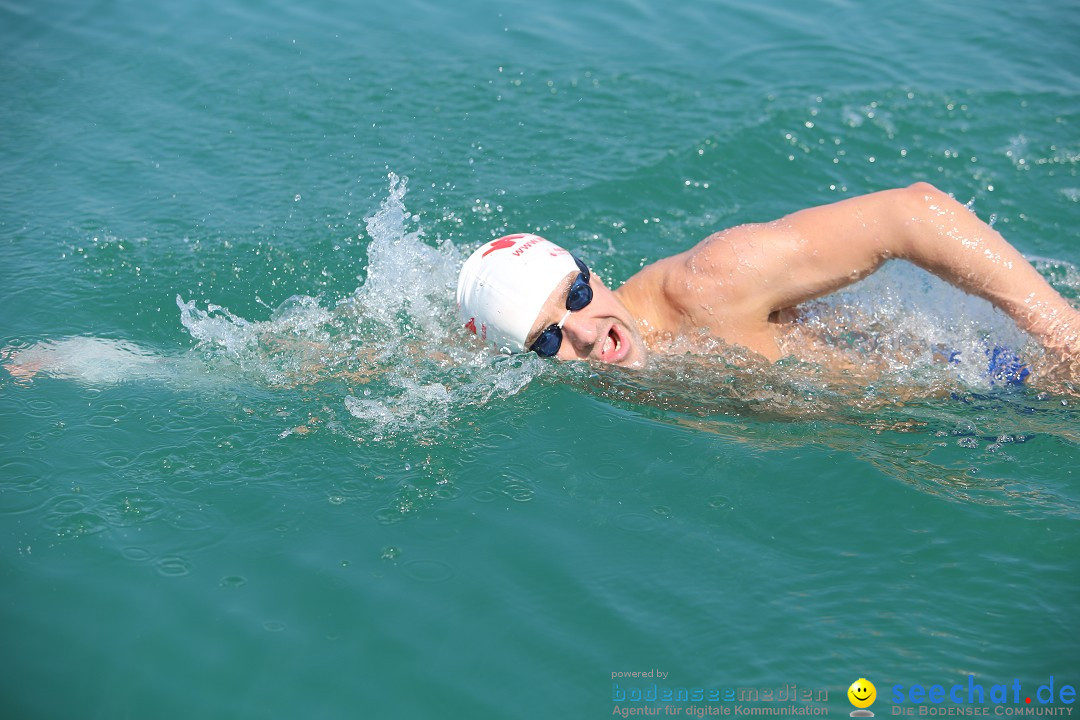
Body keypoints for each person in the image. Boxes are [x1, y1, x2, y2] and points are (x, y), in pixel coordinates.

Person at [456, 183, 1080, 378]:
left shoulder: (711, 285)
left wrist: (1063, 333)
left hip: (997, 377)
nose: (589, 335)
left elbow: (912, 212)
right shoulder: (593, 362)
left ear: (594, 273)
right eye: (547, 341)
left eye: (580, 296)